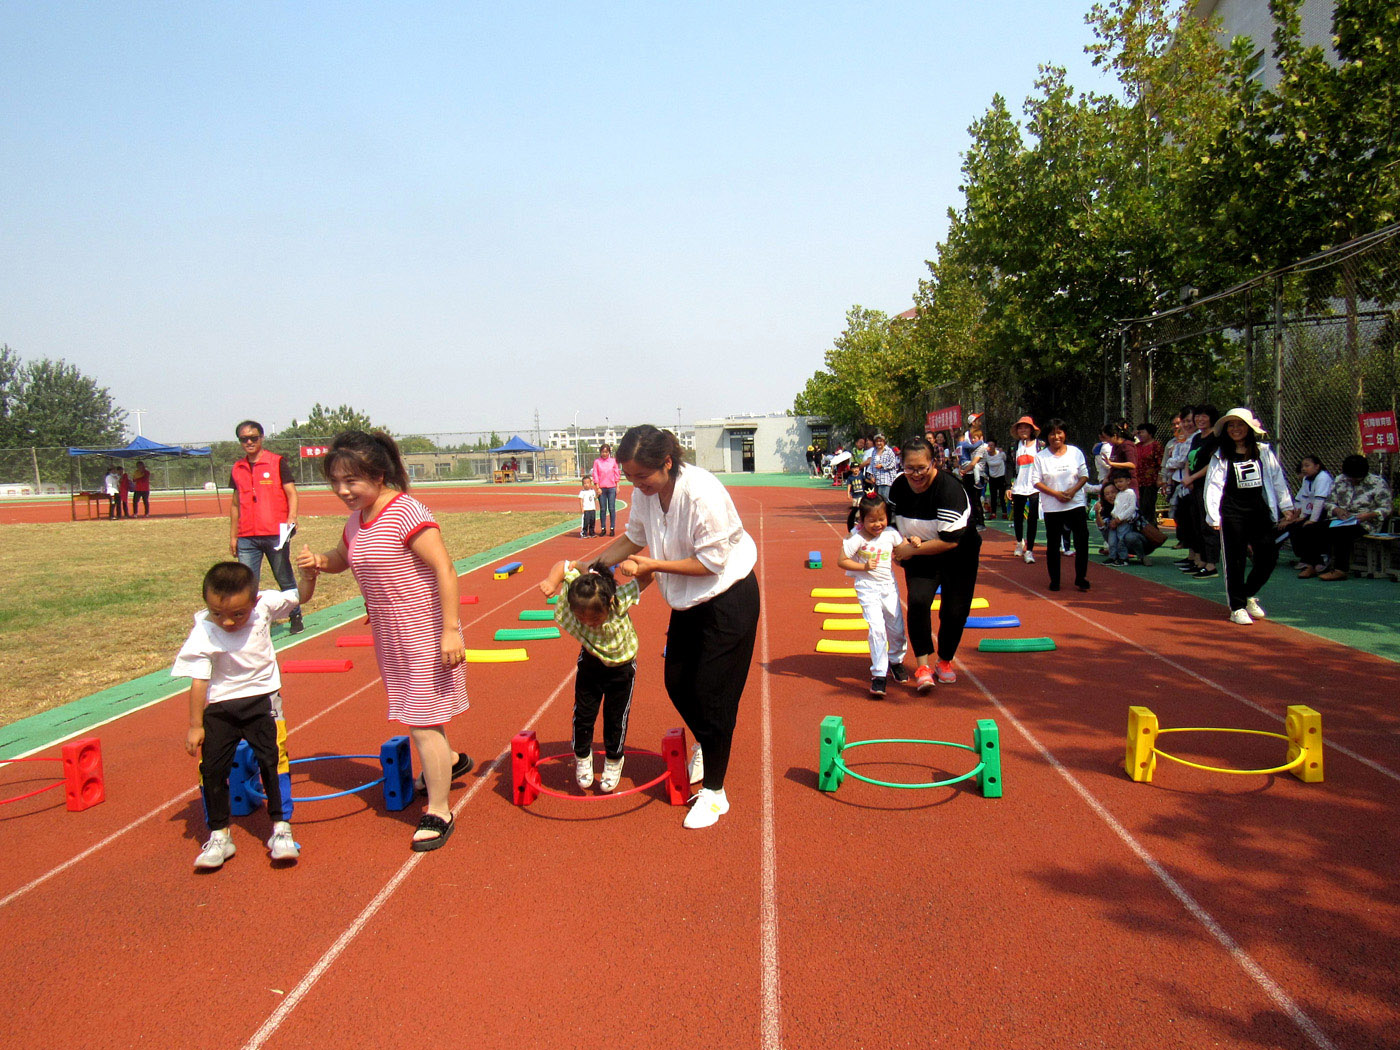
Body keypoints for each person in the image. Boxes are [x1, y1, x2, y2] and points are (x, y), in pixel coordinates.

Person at [296, 431, 472, 851]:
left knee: (421, 720)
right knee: (418, 714)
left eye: (351, 481)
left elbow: (446, 570)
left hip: (425, 633)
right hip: (389, 635)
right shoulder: (357, 518)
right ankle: (446, 762)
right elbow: (344, 557)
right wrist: (320, 561)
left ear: (377, 475)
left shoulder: (406, 511)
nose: (342, 490)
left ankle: (440, 810)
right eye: (335, 482)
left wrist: (450, 629)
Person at [585, 425, 759, 829]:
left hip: (727, 596)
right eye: (629, 478)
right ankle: (711, 740)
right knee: (677, 681)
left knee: (712, 694)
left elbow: (710, 564)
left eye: (642, 477)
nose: (636, 484)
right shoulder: (645, 494)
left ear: (667, 462)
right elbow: (633, 538)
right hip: (688, 600)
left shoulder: (702, 494)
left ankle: (715, 793)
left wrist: (653, 566)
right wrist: (589, 566)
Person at [173, 561, 312, 870]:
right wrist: (195, 725)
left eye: (238, 614)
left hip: (262, 700)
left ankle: (281, 829)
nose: (228, 623)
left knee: (272, 760)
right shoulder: (204, 631)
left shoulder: (266, 605)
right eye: (218, 613)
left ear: (255, 601)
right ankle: (220, 834)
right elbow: (199, 680)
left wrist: (308, 577)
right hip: (220, 708)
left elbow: (300, 596)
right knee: (211, 768)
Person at [539, 559, 652, 792]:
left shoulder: (618, 599)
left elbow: (647, 578)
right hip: (591, 664)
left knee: (615, 718)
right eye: (582, 619)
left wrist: (636, 567)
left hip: (621, 670)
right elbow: (563, 565)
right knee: (583, 714)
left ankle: (613, 759)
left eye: (594, 619)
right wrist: (552, 581)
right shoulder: (579, 591)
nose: (588, 624)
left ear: (609, 604)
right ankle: (582, 756)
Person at [887, 436, 981, 691]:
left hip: (958, 553)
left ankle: (945, 660)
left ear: (934, 463)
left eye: (921, 468)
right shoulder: (898, 488)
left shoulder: (949, 490)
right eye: (909, 468)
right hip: (919, 551)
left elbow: (950, 541)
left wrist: (908, 550)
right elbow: (892, 524)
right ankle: (923, 666)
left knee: (954, 611)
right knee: (917, 602)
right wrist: (899, 544)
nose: (915, 474)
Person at [1204, 408, 1294, 623]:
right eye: (1231, 425)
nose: (1235, 429)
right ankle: (1237, 608)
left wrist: (1286, 505)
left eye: (1240, 424)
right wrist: (1214, 516)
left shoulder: (1263, 451)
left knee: (1268, 556)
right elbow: (1213, 485)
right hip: (1232, 513)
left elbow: (1277, 479)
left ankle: (1247, 594)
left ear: (1249, 428)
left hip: (1259, 511)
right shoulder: (1221, 454)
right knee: (1235, 561)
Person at [229, 420, 303, 635]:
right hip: (247, 536)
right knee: (247, 583)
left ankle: (295, 614)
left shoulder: (276, 462)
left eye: (253, 437)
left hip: (274, 533)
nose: (249, 442)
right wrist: (233, 536)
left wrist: (292, 517)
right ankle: (251, 624)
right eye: (244, 439)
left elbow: (291, 493)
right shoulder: (237, 468)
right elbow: (235, 505)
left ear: (261, 438)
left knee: (284, 577)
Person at [837, 495, 909, 697]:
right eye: (872, 520)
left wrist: (914, 542)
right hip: (867, 587)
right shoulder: (857, 539)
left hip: (889, 587)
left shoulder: (891, 534)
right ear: (862, 520)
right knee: (877, 629)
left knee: (896, 627)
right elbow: (842, 560)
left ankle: (896, 661)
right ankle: (879, 674)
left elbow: (904, 549)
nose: (877, 524)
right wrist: (863, 567)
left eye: (881, 519)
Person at [1030, 419, 1091, 592]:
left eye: (1059, 432)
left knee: (1082, 540)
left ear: (1064, 434)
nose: (1056, 437)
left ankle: (1081, 578)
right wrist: (1056, 494)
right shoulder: (1041, 457)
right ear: (1047, 437)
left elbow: (1084, 475)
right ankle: (1055, 580)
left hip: (1075, 503)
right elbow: (1036, 481)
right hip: (1053, 506)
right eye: (1051, 433)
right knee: (1053, 543)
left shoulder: (1075, 452)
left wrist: (1072, 491)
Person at [1317, 454, 1393, 582]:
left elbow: (1386, 508)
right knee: (1314, 528)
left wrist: (1368, 515)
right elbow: (1329, 502)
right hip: (1341, 519)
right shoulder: (1339, 480)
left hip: (1366, 523)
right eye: (1350, 477)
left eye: (1356, 478)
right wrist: (1337, 510)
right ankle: (1314, 564)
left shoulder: (1378, 483)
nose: (1353, 480)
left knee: (1342, 532)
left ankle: (1340, 570)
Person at [1177, 405, 1221, 579]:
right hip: (1193, 487)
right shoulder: (1196, 438)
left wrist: (1193, 478)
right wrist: (1188, 477)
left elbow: (1213, 464)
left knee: (1208, 525)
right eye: (1198, 417)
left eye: (1204, 416)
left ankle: (1211, 565)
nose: (1200, 420)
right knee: (1196, 524)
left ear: (1211, 418)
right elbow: (1189, 459)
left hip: (1208, 486)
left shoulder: (1216, 438)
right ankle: (1201, 561)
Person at [1285, 455, 1335, 578]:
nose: (1303, 469)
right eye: (1302, 466)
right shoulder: (1307, 479)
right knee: (1295, 526)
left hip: (1326, 513)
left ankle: (1319, 560)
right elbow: (1305, 499)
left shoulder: (1323, 478)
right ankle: (1305, 558)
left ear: (1317, 466)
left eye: (1307, 466)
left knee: (1309, 528)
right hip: (1312, 513)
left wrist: (1312, 520)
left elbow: (1320, 501)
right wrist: (1302, 516)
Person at [1009, 416, 1042, 565]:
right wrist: (1008, 486)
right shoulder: (1014, 447)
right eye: (1020, 427)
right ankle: (1018, 542)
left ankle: (1029, 550)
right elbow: (1009, 467)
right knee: (1017, 517)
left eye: (1026, 427)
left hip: (1035, 487)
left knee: (1032, 519)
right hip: (1018, 487)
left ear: (1031, 430)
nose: (1023, 430)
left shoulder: (1040, 446)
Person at [1103, 474, 1149, 565]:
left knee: (1121, 539)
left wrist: (1119, 518)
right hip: (1115, 519)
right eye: (1116, 482)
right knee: (1112, 540)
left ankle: (1123, 558)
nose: (1118, 484)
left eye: (1121, 481)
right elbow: (1117, 507)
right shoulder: (1119, 494)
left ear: (1128, 481)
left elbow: (1131, 509)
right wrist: (1114, 517)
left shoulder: (1130, 493)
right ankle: (1113, 557)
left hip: (1124, 521)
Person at [955, 424, 988, 529]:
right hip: (968, 475)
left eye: (975, 438)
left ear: (980, 438)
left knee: (976, 500)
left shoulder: (982, 448)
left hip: (976, 475)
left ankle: (981, 523)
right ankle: (973, 522)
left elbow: (973, 463)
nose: (973, 440)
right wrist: (961, 468)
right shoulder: (969, 448)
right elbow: (960, 457)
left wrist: (964, 471)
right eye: (972, 438)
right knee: (969, 500)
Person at [1133, 423, 1162, 525]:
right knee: (1139, 506)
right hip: (1138, 481)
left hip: (1150, 482)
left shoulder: (1156, 446)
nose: (1140, 434)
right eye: (1139, 432)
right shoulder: (1137, 446)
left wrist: (1159, 478)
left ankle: (1151, 530)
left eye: (1142, 432)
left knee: (1147, 506)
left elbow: (1160, 463)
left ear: (1150, 433)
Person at [591, 442, 620, 536]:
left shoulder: (613, 461)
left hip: (611, 488)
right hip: (601, 489)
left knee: (612, 508)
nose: (604, 454)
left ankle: (612, 528)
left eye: (606, 452)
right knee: (603, 509)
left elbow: (616, 473)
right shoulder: (597, 462)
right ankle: (603, 528)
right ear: (600, 452)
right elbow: (595, 474)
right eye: (603, 452)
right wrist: (597, 487)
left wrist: (617, 486)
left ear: (609, 452)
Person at [867, 433, 900, 502]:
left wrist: (882, 465)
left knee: (884, 498)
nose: (878, 443)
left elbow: (893, 463)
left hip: (886, 479)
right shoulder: (874, 451)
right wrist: (871, 475)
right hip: (876, 480)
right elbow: (872, 464)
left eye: (880, 441)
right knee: (876, 499)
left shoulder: (889, 451)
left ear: (884, 442)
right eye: (877, 441)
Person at [982, 439, 1007, 520]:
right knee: (993, 496)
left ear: (995, 446)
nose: (990, 447)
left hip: (1001, 476)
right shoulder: (986, 455)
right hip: (992, 477)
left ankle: (1004, 512)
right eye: (989, 445)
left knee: (1002, 495)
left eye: (992, 445)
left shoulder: (1001, 454)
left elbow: (1006, 460)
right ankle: (993, 513)